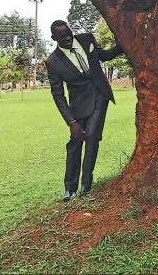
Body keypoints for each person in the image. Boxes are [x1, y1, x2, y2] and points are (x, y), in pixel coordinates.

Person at [45, 20, 124, 201]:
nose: (68, 38)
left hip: (99, 95)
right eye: (62, 36)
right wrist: (71, 122)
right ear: (53, 38)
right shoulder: (53, 62)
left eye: (69, 33)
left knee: (92, 136)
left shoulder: (86, 39)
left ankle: (86, 184)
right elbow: (58, 95)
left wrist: (121, 46)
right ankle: (69, 188)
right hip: (78, 105)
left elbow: (102, 56)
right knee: (75, 141)